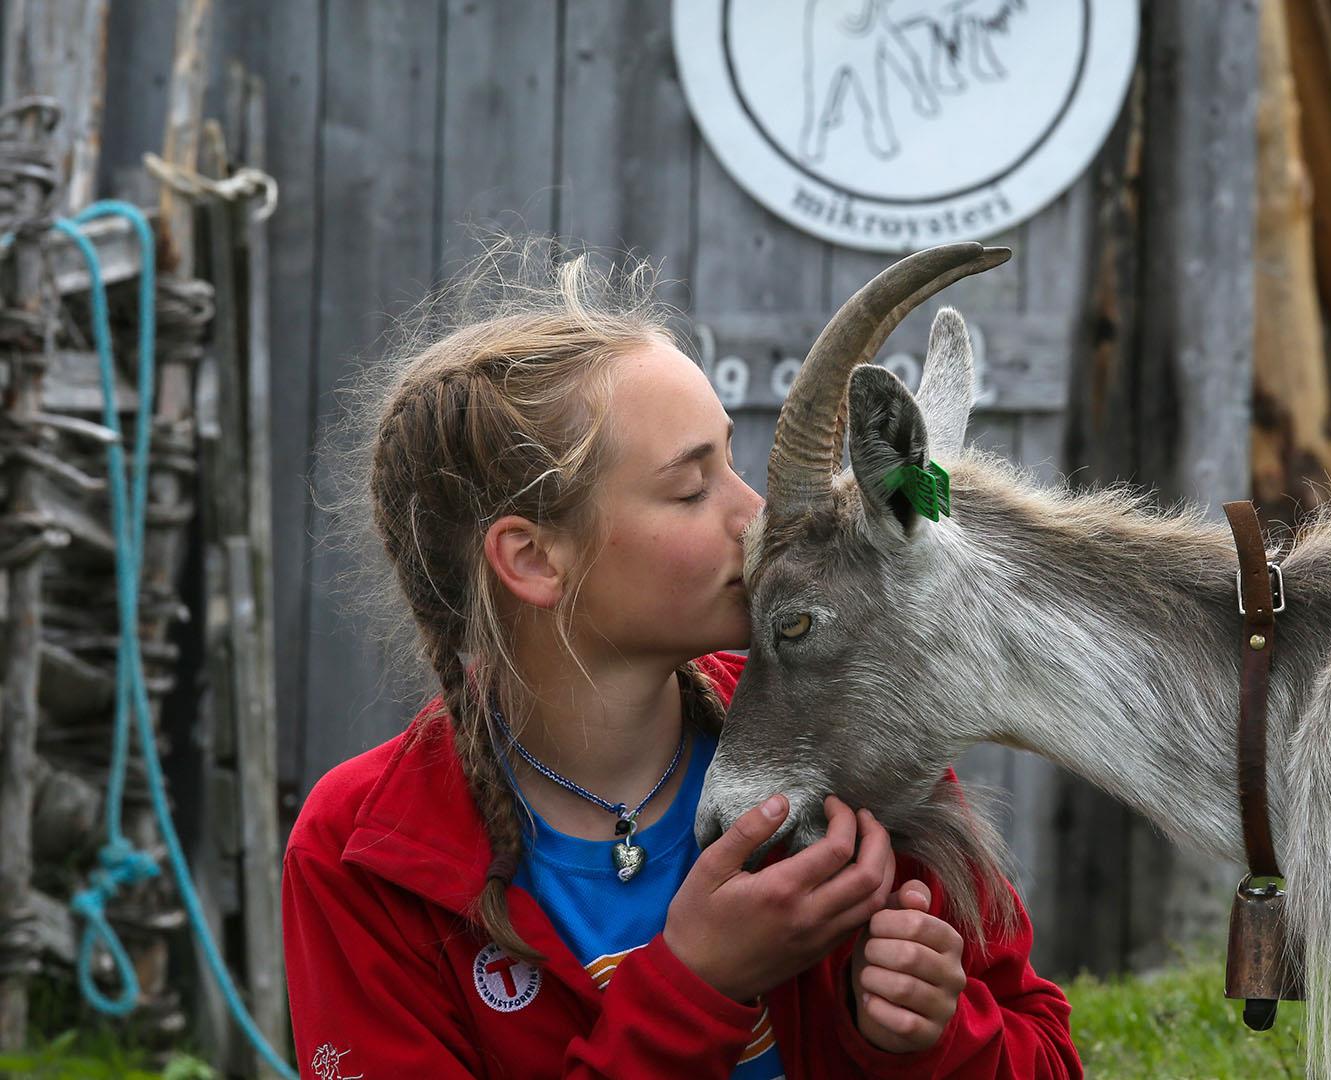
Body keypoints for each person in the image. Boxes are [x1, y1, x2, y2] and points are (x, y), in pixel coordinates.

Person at [280, 243, 1080, 1079]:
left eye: (733, 460)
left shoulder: (833, 723)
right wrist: (697, 986)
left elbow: (1049, 1059)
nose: (757, 515)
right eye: (693, 489)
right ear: (533, 560)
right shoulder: (361, 850)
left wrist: (931, 1038)